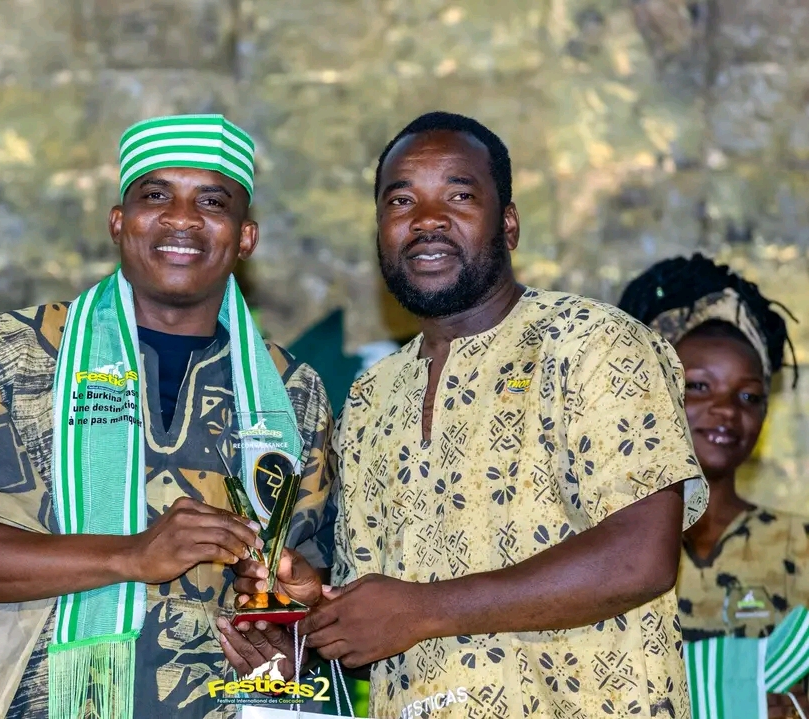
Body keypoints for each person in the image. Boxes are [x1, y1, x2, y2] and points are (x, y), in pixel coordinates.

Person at [0, 114, 334, 719]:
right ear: (119, 223)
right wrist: (130, 555)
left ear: (245, 237)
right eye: (155, 196)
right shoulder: (8, 353)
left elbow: (312, 599)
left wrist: (288, 645)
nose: (181, 218)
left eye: (212, 200)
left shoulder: (293, 393)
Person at [223, 111, 710, 718]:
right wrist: (312, 610)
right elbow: (383, 606)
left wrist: (422, 609)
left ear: (508, 223)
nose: (427, 220)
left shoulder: (593, 343)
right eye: (402, 201)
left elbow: (640, 557)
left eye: (458, 194)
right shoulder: (372, 396)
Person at [619, 254, 809, 718]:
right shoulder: (604, 546)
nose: (727, 411)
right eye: (699, 387)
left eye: (748, 396)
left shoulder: (800, 545)